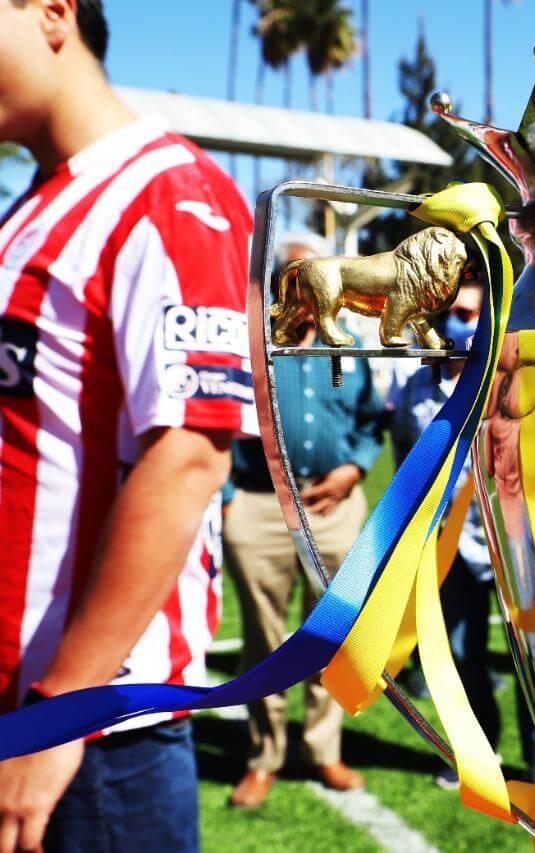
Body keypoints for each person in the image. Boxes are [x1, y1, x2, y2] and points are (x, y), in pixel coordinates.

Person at [0, 2, 254, 850]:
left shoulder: (169, 194)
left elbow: (188, 457)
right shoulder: (30, 208)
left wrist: (61, 712)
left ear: (51, 13)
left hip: (92, 736)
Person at [223, 234, 382, 808]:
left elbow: (370, 423)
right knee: (264, 642)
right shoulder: (246, 344)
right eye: (292, 276)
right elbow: (217, 419)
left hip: (334, 509)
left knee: (330, 636)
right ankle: (263, 756)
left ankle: (324, 750)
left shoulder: (349, 345)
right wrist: (227, 499)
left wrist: (355, 470)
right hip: (259, 506)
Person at [384, 277, 535, 789]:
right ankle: (478, 753)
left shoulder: (518, 380)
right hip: (448, 547)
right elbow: (405, 462)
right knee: (460, 656)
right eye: (453, 311)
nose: (462, 321)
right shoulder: (419, 384)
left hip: (517, 542)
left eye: (472, 312)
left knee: (531, 656)